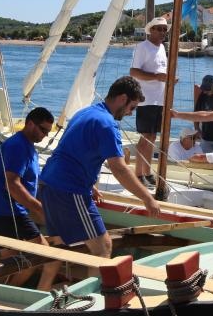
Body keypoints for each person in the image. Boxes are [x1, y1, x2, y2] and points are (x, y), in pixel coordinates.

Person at [39, 76, 161, 262]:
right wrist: (147, 198)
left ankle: (46, 281)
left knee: (59, 245)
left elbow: (72, 151)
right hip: (69, 189)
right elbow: (119, 169)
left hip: (48, 184)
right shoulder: (107, 124)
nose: (130, 113)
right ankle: (97, 283)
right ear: (122, 98)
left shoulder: (84, 113)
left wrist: (90, 185)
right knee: (103, 247)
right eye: (132, 107)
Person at [0, 107, 59, 291]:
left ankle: (0, 293)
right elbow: (12, 184)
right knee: (44, 254)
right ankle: (16, 294)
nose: (45, 135)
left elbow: (33, 180)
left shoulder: (28, 147)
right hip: (7, 212)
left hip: (4, 212)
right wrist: (40, 209)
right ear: (30, 123)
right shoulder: (18, 146)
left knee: (13, 262)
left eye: (48, 132)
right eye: (43, 130)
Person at [129, 16, 170, 187]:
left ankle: (147, 172)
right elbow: (133, 72)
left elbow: (160, 72)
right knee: (146, 137)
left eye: (164, 29)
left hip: (160, 99)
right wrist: (156, 77)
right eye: (159, 29)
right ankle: (139, 174)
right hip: (146, 99)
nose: (162, 32)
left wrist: (167, 79)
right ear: (151, 30)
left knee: (153, 136)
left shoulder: (162, 48)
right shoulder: (142, 47)